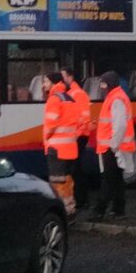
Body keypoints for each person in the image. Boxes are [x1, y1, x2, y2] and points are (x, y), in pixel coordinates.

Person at [90, 71, 136, 222]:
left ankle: (99, 211)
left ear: (109, 83)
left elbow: (119, 125)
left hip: (112, 147)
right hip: (114, 146)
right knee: (116, 180)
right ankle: (118, 210)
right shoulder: (116, 97)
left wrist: (114, 145)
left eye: (103, 83)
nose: (101, 86)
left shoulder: (116, 99)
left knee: (108, 180)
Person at [42, 73, 79, 222]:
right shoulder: (69, 98)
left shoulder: (54, 99)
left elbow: (51, 124)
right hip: (70, 148)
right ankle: (70, 210)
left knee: (57, 184)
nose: (43, 85)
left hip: (56, 149)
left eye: (45, 81)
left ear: (52, 83)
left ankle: (60, 215)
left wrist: (47, 138)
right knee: (67, 183)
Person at [61, 67, 92, 210]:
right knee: (74, 168)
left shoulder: (77, 94)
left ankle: (82, 199)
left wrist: (75, 135)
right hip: (75, 135)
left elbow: (84, 118)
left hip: (79, 136)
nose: (63, 80)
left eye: (64, 77)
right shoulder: (71, 93)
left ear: (70, 77)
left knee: (75, 168)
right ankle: (79, 198)